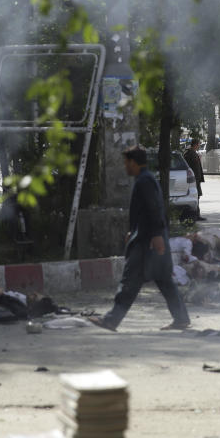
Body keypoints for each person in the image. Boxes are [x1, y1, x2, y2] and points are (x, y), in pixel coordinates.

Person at [89, 146, 191, 332]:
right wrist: (133, 230)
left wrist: (157, 235)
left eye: (126, 163)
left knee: (130, 282)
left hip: (147, 243)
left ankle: (111, 320)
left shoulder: (145, 181)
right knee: (164, 282)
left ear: (133, 163)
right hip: (148, 239)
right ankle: (181, 319)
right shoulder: (144, 179)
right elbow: (144, 211)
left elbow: (155, 209)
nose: (125, 166)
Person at [183, 137, 206, 220]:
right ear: (195, 144)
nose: (199, 145)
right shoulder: (188, 153)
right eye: (198, 144)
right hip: (192, 179)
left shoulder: (193, 153)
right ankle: (194, 215)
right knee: (194, 197)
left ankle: (197, 215)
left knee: (197, 196)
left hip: (196, 179)